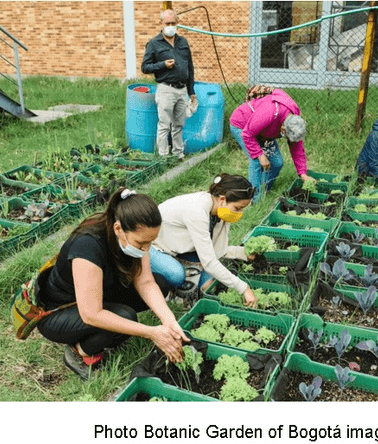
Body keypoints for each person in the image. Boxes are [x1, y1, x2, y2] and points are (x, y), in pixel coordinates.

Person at [36, 188, 189, 380]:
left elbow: (146, 281)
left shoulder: (131, 234)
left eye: (151, 242)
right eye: (141, 244)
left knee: (160, 283)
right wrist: (151, 333)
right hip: (58, 311)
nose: (146, 249)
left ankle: (112, 328)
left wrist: (169, 320)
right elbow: (91, 314)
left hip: (98, 293)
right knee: (127, 317)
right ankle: (79, 351)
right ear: (119, 229)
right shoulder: (87, 246)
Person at [150, 173, 259, 307]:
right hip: (155, 247)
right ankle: (165, 288)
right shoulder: (197, 211)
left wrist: (244, 253)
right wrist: (244, 288)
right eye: (238, 208)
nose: (239, 213)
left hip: (182, 248)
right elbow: (209, 262)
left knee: (208, 285)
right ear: (222, 199)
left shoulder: (220, 211)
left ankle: (184, 273)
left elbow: (217, 250)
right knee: (175, 275)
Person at [229, 86, 315, 200]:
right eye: (287, 137)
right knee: (256, 162)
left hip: (263, 132)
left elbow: (297, 148)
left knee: (277, 163)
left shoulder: (295, 122)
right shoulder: (269, 112)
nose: (289, 141)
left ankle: (264, 191)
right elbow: (247, 134)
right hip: (242, 125)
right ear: (283, 129)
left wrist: (303, 174)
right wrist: (260, 155)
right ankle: (254, 199)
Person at [141, 9, 196, 162]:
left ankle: (179, 155)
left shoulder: (183, 42)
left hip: (182, 90)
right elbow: (145, 67)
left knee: (179, 125)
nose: (171, 26)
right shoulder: (153, 43)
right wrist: (163, 65)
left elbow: (190, 67)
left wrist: (191, 90)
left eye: (173, 23)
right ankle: (163, 157)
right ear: (161, 23)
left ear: (177, 23)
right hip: (166, 89)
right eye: (168, 23)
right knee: (164, 125)